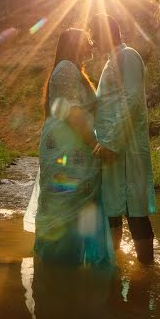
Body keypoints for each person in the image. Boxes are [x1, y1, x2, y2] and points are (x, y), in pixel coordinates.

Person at [26, 28, 114, 268]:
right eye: (87, 42)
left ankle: (64, 265)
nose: (91, 45)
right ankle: (57, 266)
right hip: (66, 144)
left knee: (71, 201)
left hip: (71, 143)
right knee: (64, 200)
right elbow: (74, 114)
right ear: (75, 44)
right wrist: (95, 144)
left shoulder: (72, 69)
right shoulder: (66, 68)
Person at [88, 14, 156, 264]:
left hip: (125, 150)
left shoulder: (128, 57)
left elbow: (132, 99)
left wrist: (112, 142)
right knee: (113, 209)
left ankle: (148, 272)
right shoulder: (112, 61)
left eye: (94, 35)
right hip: (110, 150)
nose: (92, 41)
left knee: (135, 212)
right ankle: (115, 268)